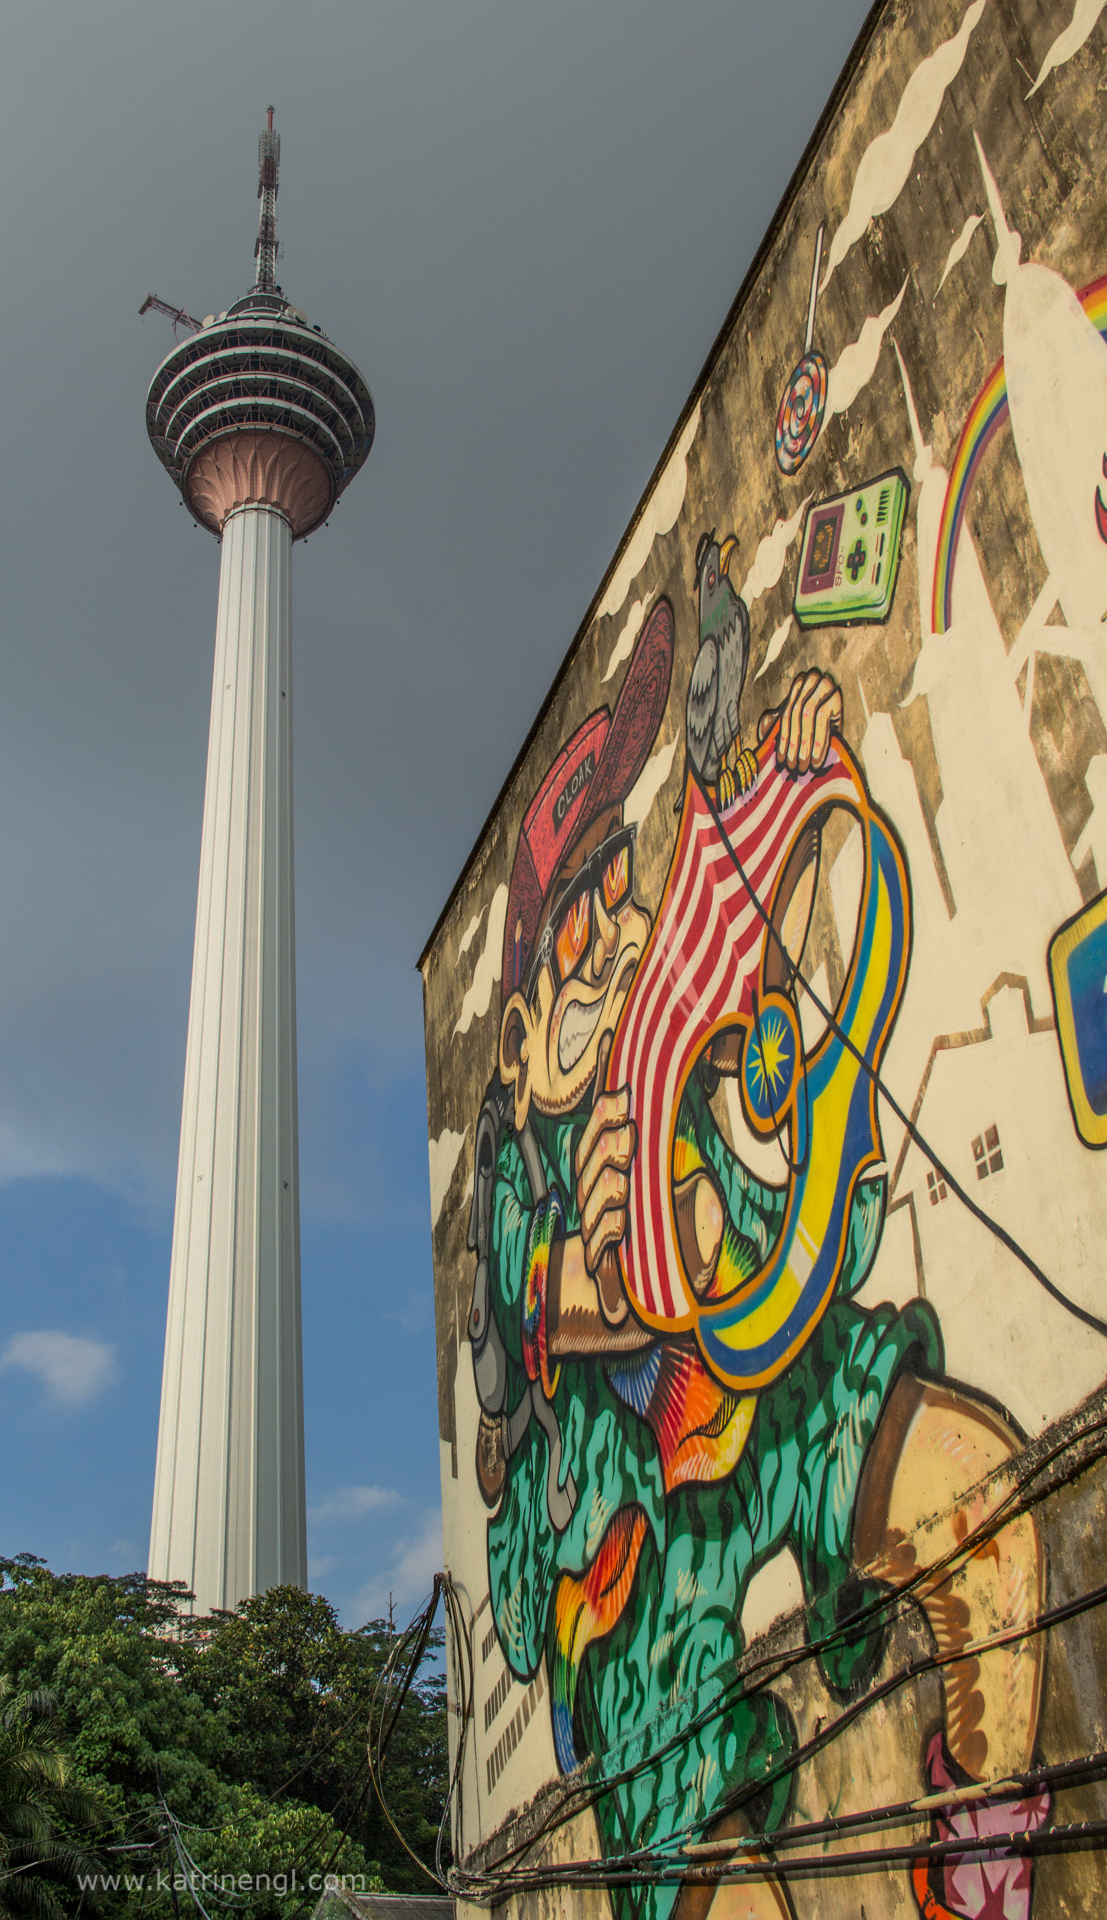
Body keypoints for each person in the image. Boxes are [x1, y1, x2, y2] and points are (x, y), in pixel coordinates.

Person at [472, 602, 1047, 1920]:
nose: (616, 942)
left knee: (980, 1498)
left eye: (621, 904)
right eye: (581, 935)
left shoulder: (663, 1056)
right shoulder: (523, 1176)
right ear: (512, 1036)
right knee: (726, 1893)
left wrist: (788, 796)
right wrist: (614, 1272)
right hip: (635, 1569)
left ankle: (990, 1862)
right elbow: (560, 1304)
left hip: (771, 1404)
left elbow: (749, 969)